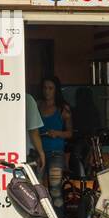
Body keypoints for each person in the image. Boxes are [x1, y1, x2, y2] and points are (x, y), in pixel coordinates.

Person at [36, 76, 73, 204]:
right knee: (37, 189)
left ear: (56, 90)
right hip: (37, 152)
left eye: (50, 88)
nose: (47, 91)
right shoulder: (37, 105)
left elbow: (70, 133)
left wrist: (56, 133)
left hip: (55, 153)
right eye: (45, 88)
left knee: (55, 190)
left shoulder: (63, 108)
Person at [24, 93, 46, 174]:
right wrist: (41, 153)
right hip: (26, 154)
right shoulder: (27, 98)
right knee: (31, 186)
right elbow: (33, 131)